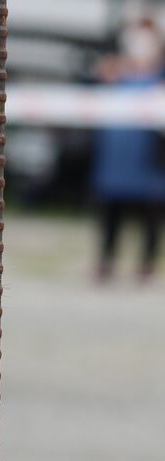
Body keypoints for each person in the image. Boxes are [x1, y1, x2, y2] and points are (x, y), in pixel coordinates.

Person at [90, 17, 165, 286]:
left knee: (151, 211)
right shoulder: (115, 73)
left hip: (149, 155)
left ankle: (146, 266)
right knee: (111, 209)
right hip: (116, 153)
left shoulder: (160, 76)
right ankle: (105, 263)